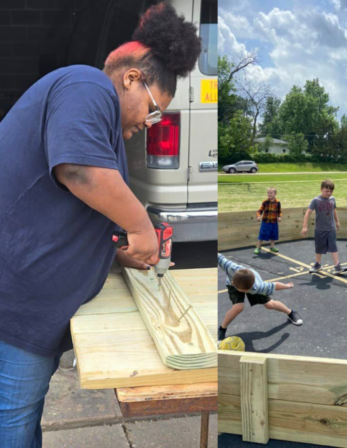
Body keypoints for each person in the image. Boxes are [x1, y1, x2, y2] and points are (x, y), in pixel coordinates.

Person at [0, 5, 201, 446]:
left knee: (24, 420)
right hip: (15, 307)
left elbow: (71, 210)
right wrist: (143, 228)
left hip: (35, 310)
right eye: (152, 111)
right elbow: (80, 174)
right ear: (131, 79)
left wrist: (114, 251)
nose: (148, 125)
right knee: (11, 426)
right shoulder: (86, 84)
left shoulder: (100, 123)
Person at [217, 254, 302, 341]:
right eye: (243, 291)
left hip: (250, 282)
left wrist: (287, 286)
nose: (245, 293)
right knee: (238, 307)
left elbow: (275, 285)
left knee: (270, 304)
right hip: (236, 282)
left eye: (246, 291)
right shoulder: (230, 267)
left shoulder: (258, 287)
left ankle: (291, 312)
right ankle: (222, 329)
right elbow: (219, 257)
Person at [302, 180, 347, 274]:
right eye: (327, 191)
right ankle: (317, 264)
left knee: (333, 247)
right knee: (319, 248)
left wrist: (337, 221)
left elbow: (334, 210)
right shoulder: (316, 200)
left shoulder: (332, 199)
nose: (329, 193)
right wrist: (305, 226)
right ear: (321, 189)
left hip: (331, 229)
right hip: (319, 229)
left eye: (331, 191)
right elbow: (308, 213)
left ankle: (337, 266)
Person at [255, 187, 282, 254]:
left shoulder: (278, 202)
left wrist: (279, 217)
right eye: (268, 193)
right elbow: (260, 210)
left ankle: (272, 247)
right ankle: (258, 247)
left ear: (275, 194)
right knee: (262, 234)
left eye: (271, 193)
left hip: (273, 222)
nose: (269, 194)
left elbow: (279, 211)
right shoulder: (265, 202)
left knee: (273, 234)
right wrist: (258, 216)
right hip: (265, 222)